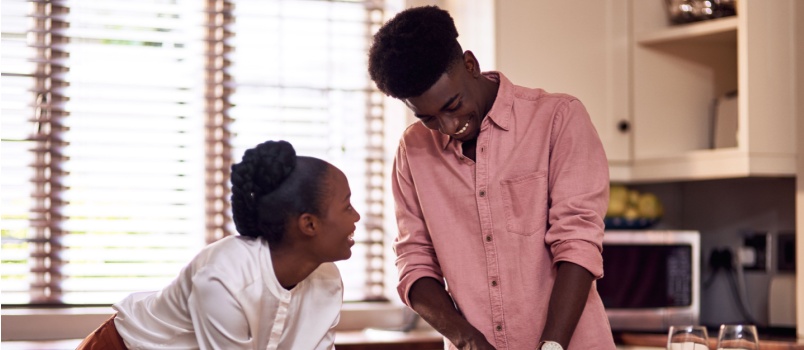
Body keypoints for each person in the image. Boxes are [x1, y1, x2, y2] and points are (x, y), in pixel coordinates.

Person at [368, 6, 615, 350]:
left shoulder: (557, 119)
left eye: (453, 105)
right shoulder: (413, 150)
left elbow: (578, 241)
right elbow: (414, 262)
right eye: (429, 118)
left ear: (471, 65)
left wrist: (552, 345)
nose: (450, 127)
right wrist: (466, 339)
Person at [76, 140, 360, 350]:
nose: (357, 216)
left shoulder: (327, 279)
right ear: (309, 224)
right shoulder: (224, 276)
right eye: (347, 206)